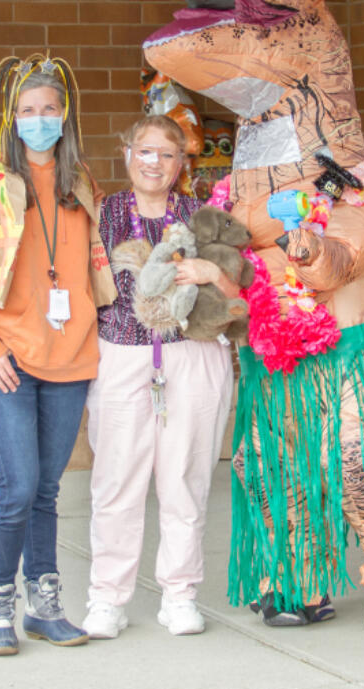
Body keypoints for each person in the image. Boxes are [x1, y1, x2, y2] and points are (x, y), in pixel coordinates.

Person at [0, 53, 117, 657]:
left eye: (49, 110)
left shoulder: (83, 184)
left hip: (72, 360)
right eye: (28, 111)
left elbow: (100, 273)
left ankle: (46, 606)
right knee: (17, 489)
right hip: (8, 359)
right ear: (10, 118)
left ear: (65, 117)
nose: (39, 121)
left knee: (47, 491)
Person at [81, 116, 236, 639]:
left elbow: (245, 285)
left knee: (185, 480)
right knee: (116, 481)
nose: (154, 163)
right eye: (144, 151)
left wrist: (213, 274)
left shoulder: (204, 218)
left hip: (192, 356)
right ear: (127, 153)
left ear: (181, 163)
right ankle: (107, 598)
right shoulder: (100, 216)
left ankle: (179, 594)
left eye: (166, 155)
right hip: (122, 357)